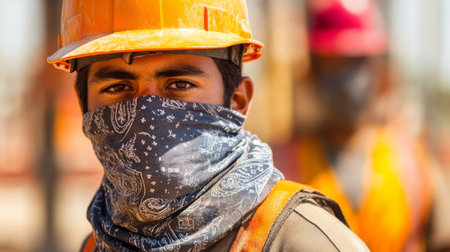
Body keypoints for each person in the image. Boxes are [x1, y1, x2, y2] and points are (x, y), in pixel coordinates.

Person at [47, 0, 368, 251]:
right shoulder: (96, 246)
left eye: (179, 84)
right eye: (118, 88)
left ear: (237, 100)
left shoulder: (302, 242)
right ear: (83, 108)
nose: (147, 112)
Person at [273, 0, 447, 251]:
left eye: (356, 64)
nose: (347, 84)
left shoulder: (413, 163)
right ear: (313, 71)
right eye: (332, 64)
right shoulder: (281, 168)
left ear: (379, 69)